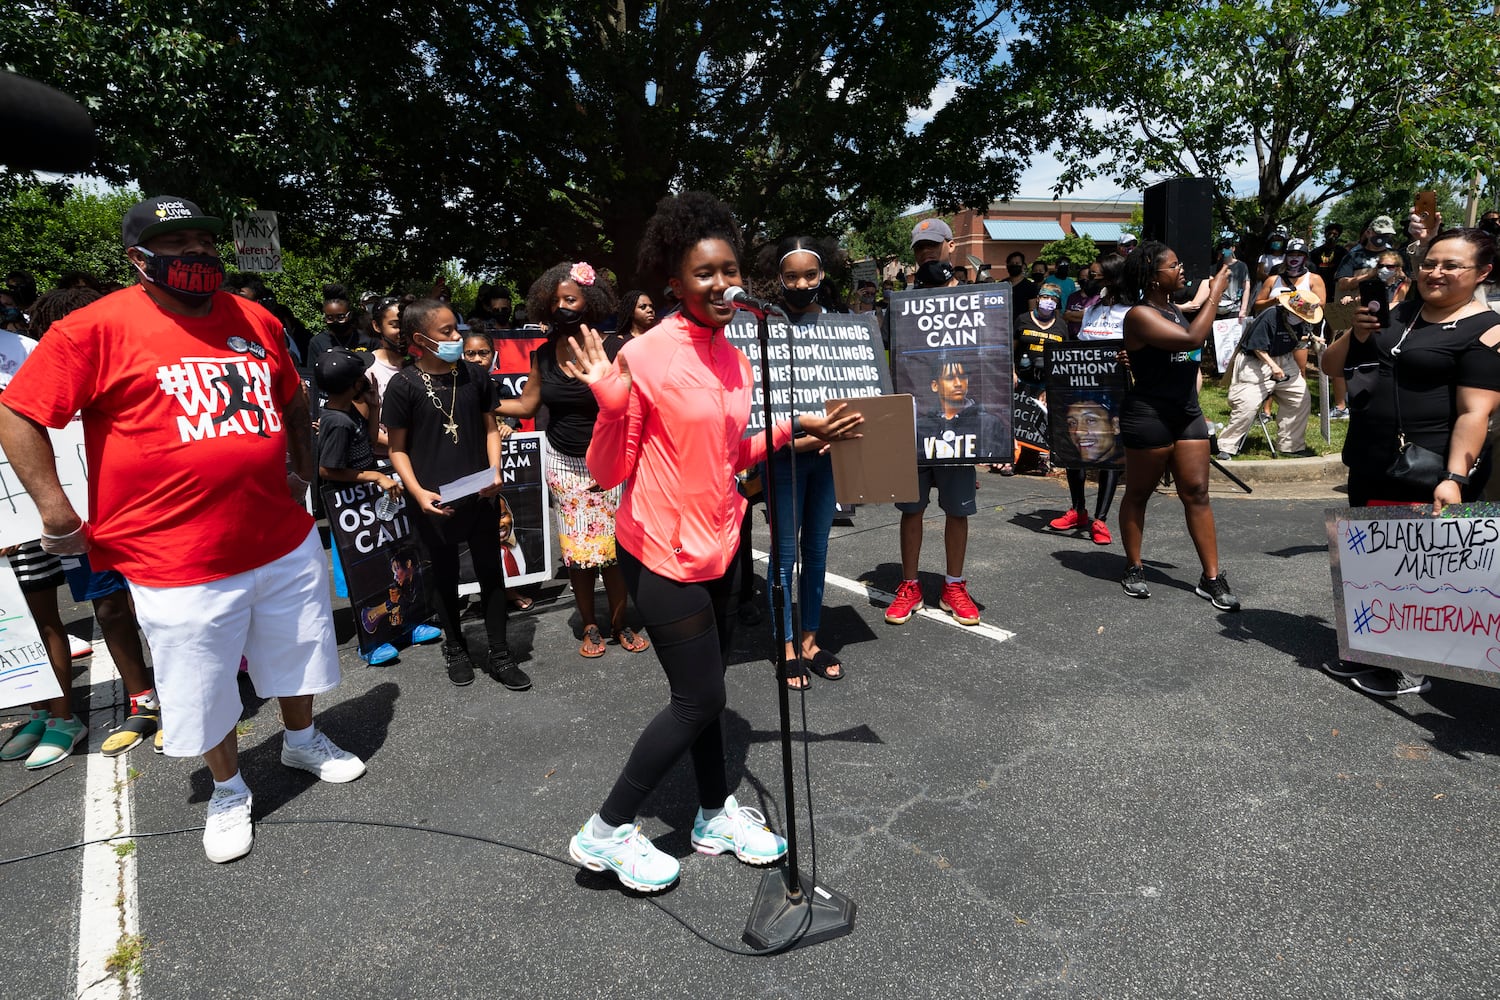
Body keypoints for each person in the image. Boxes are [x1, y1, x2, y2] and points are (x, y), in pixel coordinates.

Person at [0, 195, 365, 862]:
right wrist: (55, 511)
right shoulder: (94, 328)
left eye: (203, 240)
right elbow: (20, 412)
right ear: (136, 257)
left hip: (277, 536)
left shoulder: (252, 317)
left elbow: (291, 397)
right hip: (175, 554)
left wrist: (302, 472)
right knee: (202, 681)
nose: (195, 253)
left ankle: (302, 739)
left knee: (299, 650)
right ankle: (228, 787)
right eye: (175, 243)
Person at [560, 191, 860, 892]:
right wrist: (609, 407)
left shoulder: (734, 353)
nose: (723, 284)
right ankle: (603, 832)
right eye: (705, 274)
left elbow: (729, 452)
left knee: (713, 694)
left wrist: (797, 429)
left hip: (723, 542)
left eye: (730, 270)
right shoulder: (645, 353)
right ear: (674, 281)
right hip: (661, 550)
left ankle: (709, 814)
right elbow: (607, 473)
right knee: (696, 699)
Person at [1321, 228, 1500, 697]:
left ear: (1483, 272)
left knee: (1426, 572)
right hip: (1372, 455)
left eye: (1450, 266)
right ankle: (1368, 647)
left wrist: (1455, 477)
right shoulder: (1402, 310)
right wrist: (1355, 333)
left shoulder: (1486, 330)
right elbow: (1330, 366)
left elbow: (1474, 412)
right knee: (1368, 560)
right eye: (1429, 262)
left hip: (1431, 466)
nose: (1434, 272)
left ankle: (1413, 667)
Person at [25, 287, 160, 757]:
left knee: (163, 610)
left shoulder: (135, 365)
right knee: (110, 610)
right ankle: (144, 702)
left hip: (146, 513)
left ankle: (185, 699)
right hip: (86, 523)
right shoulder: (42, 382)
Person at [496, 262, 647, 659]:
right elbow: (528, 403)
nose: (562, 306)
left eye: (570, 299)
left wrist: (620, 463)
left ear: (589, 302)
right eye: (555, 300)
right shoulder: (543, 355)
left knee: (614, 551)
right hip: (563, 462)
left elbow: (632, 407)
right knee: (578, 553)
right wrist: (483, 405)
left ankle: (620, 622)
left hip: (609, 461)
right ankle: (590, 626)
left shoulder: (614, 348)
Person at [383, 297, 530, 690]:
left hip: (481, 494)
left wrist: (495, 472)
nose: (456, 337)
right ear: (421, 338)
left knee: (490, 573)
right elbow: (397, 448)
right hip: (433, 502)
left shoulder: (475, 377)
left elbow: (490, 429)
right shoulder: (403, 385)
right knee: (443, 577)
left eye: (456, 329)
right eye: (446, 331)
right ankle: (456, 647)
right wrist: (418, 493)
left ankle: (500, 652)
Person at [1117, 241, 1239, 610]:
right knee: (1139, 493)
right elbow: (1191, 339)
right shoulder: (1140, 314)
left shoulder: (1173, 309)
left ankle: (1212, 578)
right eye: (1173, 265)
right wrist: (1215, 294)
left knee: (1197, 493)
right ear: (1152, 276)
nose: (1181, 269)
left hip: (1186, 413)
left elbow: (1185, 350)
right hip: (1149, 416)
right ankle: (1134, 567)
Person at [756, 235, 848, 688]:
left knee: (818, 550)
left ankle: (811, 638)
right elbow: (760, 404)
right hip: (782, 458)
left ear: (822, 275)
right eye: (791, 276)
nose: (801, 283)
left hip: (829, 457)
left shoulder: (841, 328)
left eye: (809, 274)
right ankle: (786, 642)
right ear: (779, 280)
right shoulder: (766, 327)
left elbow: (856, 393)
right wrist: (805, 437)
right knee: (784, 553)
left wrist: (840, 434)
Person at [887, 219, 987, 626]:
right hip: (911, 423)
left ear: (950, 247)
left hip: (958, 423)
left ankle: (954, 585)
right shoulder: (900, 304)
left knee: (957, 509)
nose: (926, 253)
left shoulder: (975, 301)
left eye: (932, 245)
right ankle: (909, 584)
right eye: (919, 248)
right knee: (911, 509)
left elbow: (990, 361)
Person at [314, 348, 442, 665]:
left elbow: (370, 442)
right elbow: (326, 469)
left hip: (369, 498)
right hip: (349, 506)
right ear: (354, 383)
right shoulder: (335, 421)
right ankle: (370, 643)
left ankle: (404, 625)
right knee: (366, 572)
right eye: (362, 376)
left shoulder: (351, 411)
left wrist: (374, 408)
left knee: (394, 561)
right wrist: (373, 475)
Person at [1050, 253, 1129, 543]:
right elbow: (1080, 347)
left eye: (1094, 276)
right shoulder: (1092, 310)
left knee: (1109, 455)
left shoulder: (1131, 312)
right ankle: (1078, 509)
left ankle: (1101, 519)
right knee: (1074, 451)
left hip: (1114, 395)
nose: (1087, 280)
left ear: (1112, 278)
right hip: (1081, 392)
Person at [1217, 290, 1317, 460]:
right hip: (1256, 361)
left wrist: (1314, 340)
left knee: (1300, 398)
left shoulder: (1301, 321)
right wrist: (1273, 367)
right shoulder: (1270, 316)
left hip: (1285, 360)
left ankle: (1290, 445)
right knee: (1247, 404)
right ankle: (1226, 445)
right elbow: (1257, 347)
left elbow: (1297, 336)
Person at [1313, 222, 1347, 291]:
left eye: (1335, 234)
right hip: (1319, 285)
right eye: (1329, 233)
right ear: (1325, 234)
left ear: (1338, 236)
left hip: (1336, 286)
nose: (1331, 236)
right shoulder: (1315, 252)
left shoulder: (1342, 252)